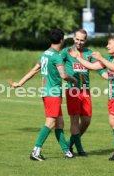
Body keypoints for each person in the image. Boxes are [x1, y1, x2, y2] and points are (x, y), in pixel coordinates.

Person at [10, 28, 77, 161]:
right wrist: (74, 79)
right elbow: (63, 75)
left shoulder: (45, 54)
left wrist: (20, 83)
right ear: (62, 40)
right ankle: (36, 151)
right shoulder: (57, 56)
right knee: (51, 122)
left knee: (60, 123)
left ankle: (67, 151)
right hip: (53, 93)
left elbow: (34, 70)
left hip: (47, 92)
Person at [68, 36, 114, 161]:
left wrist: (101, 58)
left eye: (109, 44)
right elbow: (91, 66)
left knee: (113, 121)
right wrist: (78, 58)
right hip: (113, 96)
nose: (107, 46)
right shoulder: (109, 59)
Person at [60, 29, 95, 156]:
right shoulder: (66, 52)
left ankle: (70, 144)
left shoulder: (89, 53)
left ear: (85, 40)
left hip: (86, 91)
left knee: (86, 121)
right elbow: (56, 63)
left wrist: (107, 74)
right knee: (74, 120)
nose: (79, 42)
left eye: (82, 40)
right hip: (72, 90)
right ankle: (80, 150)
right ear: (74, 38)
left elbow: (98, 67)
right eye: (77, 39)